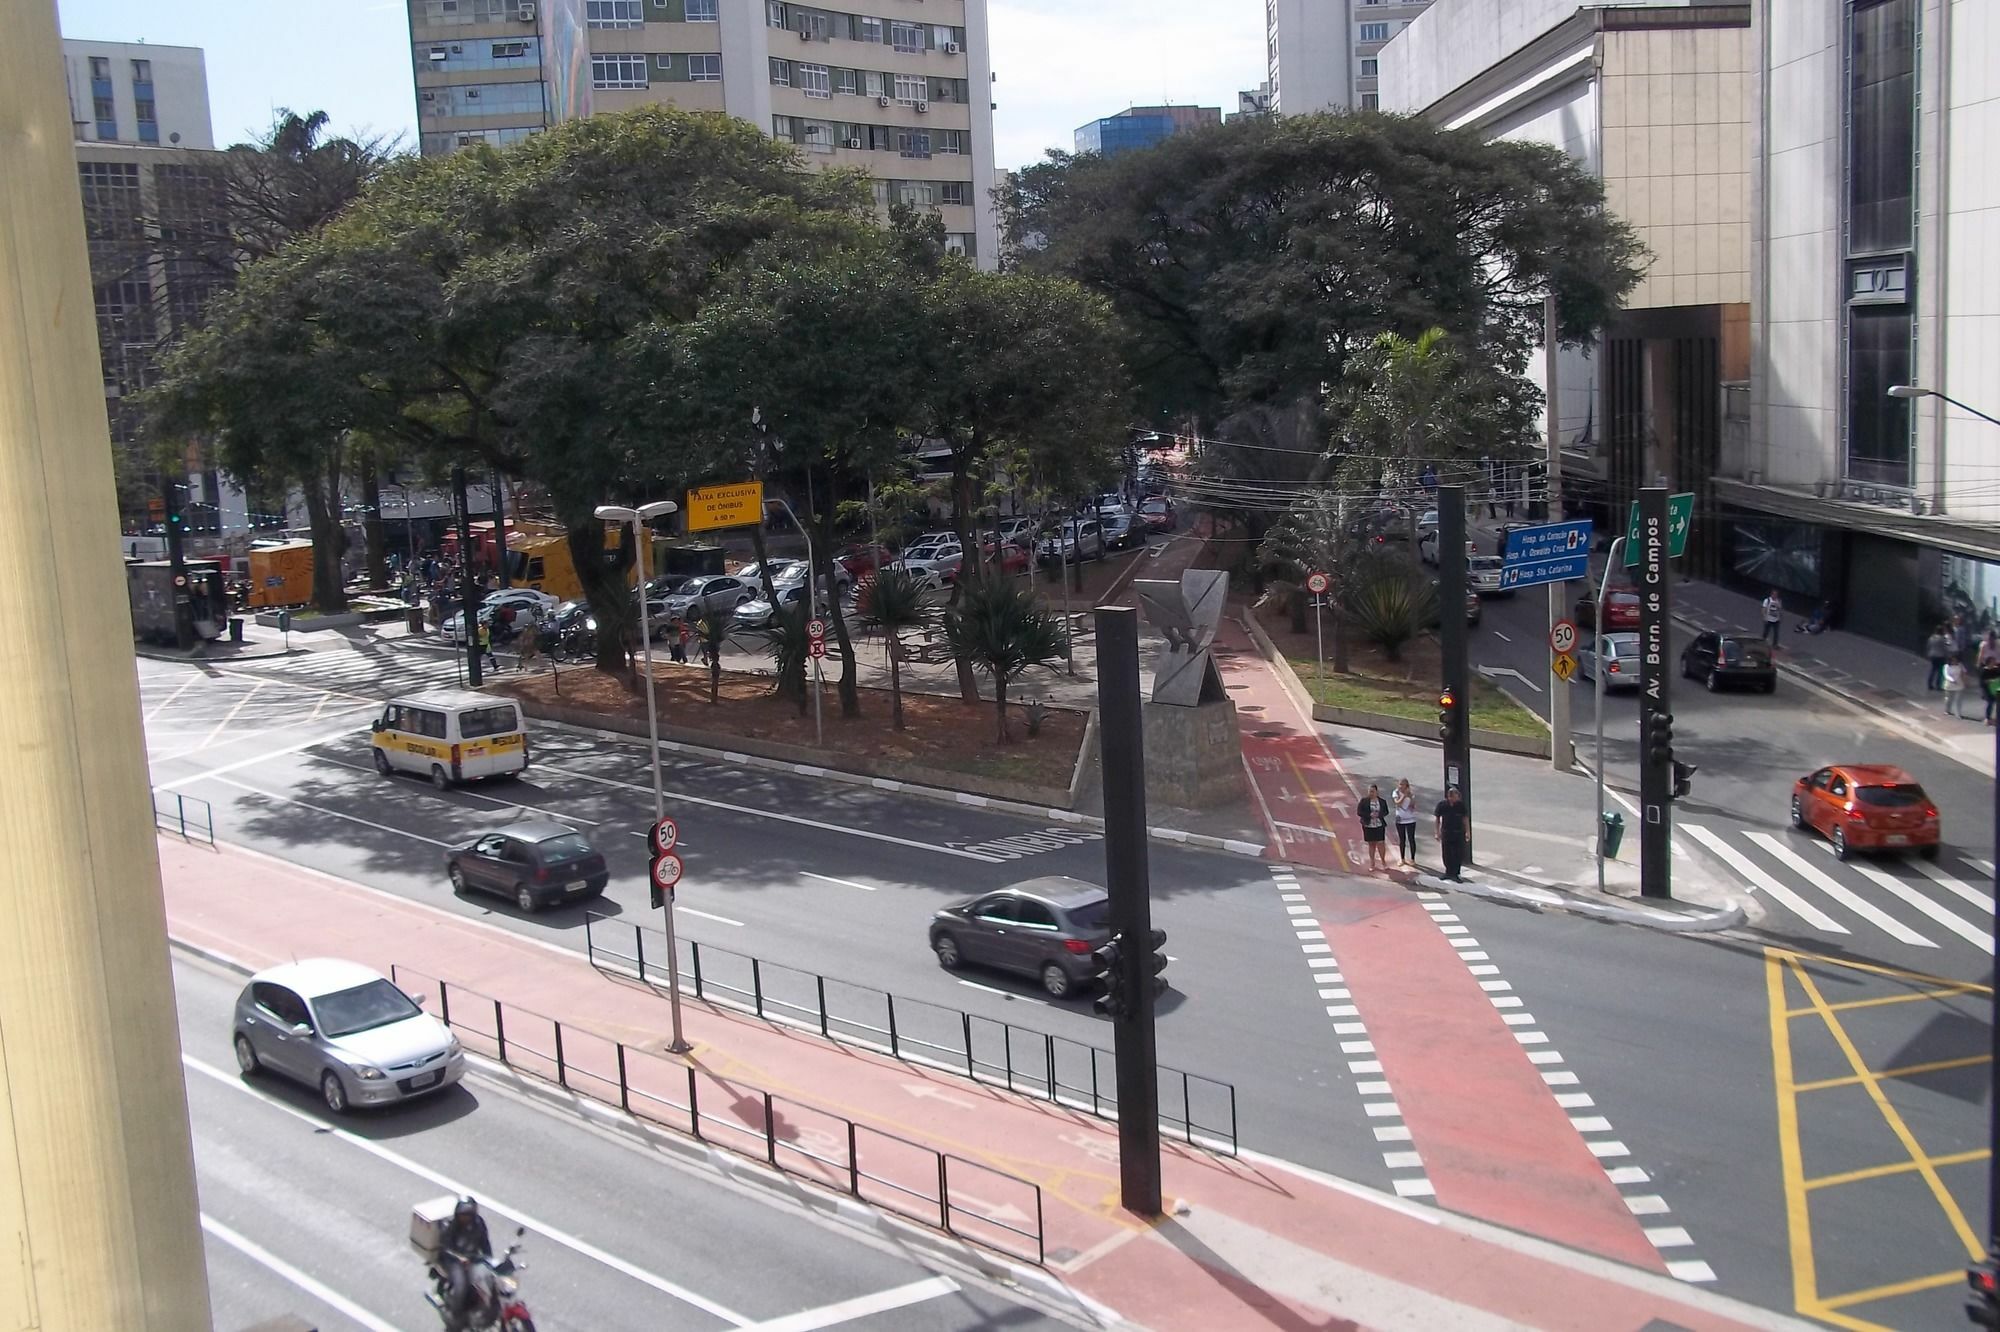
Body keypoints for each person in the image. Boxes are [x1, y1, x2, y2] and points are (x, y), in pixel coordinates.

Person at [438, 1197, 492, 1326]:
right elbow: (445, 1247)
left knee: (488, 1282)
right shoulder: (451, 1226)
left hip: (473, 1258)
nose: (465, 1217)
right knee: (461, 1286)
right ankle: (456, 1316)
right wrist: (459, 1258)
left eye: (468, 1214)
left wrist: (489, 1259)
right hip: (453, 1261)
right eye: (463, 1214)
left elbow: (485, 1243)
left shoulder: (479, 1224)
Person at [1433, 787, 1470, 882]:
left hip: (1458, 832)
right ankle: (1448, 872)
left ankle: (1456, 873)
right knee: (1446, 853)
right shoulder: (1442, 805)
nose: (1456, 798)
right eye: (1455, 796)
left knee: (1458, 854)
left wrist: (1467, 832)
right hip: (1446, 832)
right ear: (1450, 797)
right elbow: (1437, 818)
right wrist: (1437, 832)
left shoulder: (1460, 805)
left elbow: (1465, 819)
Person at [1357, 783, 1391, 871]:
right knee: (1371, 844)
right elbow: (1359, 812)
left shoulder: (1382, 801)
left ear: (1376, 792)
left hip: (1379, 825)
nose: (1371, 793)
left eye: (1372, 791)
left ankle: (1383, 861)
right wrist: (1369, 815)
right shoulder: (1364, 801)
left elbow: (1386, 811)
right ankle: (1372, 863)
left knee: (1381, 843)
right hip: (1368, 825)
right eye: (1369, 791)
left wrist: (1379, 815)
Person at [1392, 779, 1419, 867]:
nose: (1401, 786)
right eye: (1400, 784)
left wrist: (1410, 797)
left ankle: (1412, 859)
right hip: (1400, 819)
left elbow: (1413, 805)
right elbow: (1397, 803)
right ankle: (1402, 858)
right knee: (1402, 839)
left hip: (1410, 819)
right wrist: (1404, 796)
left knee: (1411, 839)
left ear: (1406, 786)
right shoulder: (1396, 793)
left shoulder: (1411, 793)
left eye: (1403, 785)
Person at [1979, 630, 2000, 725]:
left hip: (1995, 665)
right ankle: (1987, 718)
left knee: (1995, 700)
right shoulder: (1985, 645)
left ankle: (1993, 718)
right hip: (1986, 666)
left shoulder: (1997, 644)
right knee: (1990, 701)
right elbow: (1981, 656)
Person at [1926, 624, 1951, 691]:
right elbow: (1944, 648)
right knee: (1940, 671)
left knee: (1933, 670)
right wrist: (1947, 656)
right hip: (1940, 656)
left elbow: (1928, 646)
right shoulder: (1942, 639)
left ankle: (1929, 684)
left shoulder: (1931, 638)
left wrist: (1928, 653)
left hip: (1932, 655)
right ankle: (1938, 685)